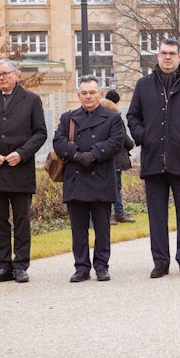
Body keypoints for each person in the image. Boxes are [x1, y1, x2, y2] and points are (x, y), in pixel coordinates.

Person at [127, 37, 180, 278]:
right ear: (157, 55)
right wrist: (144, 136)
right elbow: (133, 116)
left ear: (179, 57)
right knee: (157, 217)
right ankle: (160, 262)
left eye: (172, 53)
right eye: (163, 53)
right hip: (153, 161)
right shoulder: (144, 85)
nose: (167, 57)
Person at [0, 58, 47, 284]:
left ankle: (21, 264)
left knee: (22, 219)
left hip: (19, 169)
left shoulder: (31, 100)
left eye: (5, 73)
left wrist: (22, 153)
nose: (2, 78)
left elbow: (40, 133)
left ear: (16, 74)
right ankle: (4, 265)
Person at [53, 76, 126, 282]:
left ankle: (102, 266)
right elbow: (58, 141)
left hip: (101, 177)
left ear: (100, 94)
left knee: (102, 228)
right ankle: (81, 267)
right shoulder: (69, 118)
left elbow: (116, 142)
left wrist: (93, 154)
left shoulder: (113, 118)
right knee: (79, 228)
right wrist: (76, 155)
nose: (88, 96)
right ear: (79, 96)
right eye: (84, 93)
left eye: (92, 92)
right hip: (76, 179)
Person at [104, 89, 136, 225]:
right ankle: (116, 214)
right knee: (114, 187)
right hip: (116, 158)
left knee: (111, 186)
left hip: (107, 157)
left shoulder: (101, 114)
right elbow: (124, 138)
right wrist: (131, 144)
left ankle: (117, 213)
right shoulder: (115, 116)